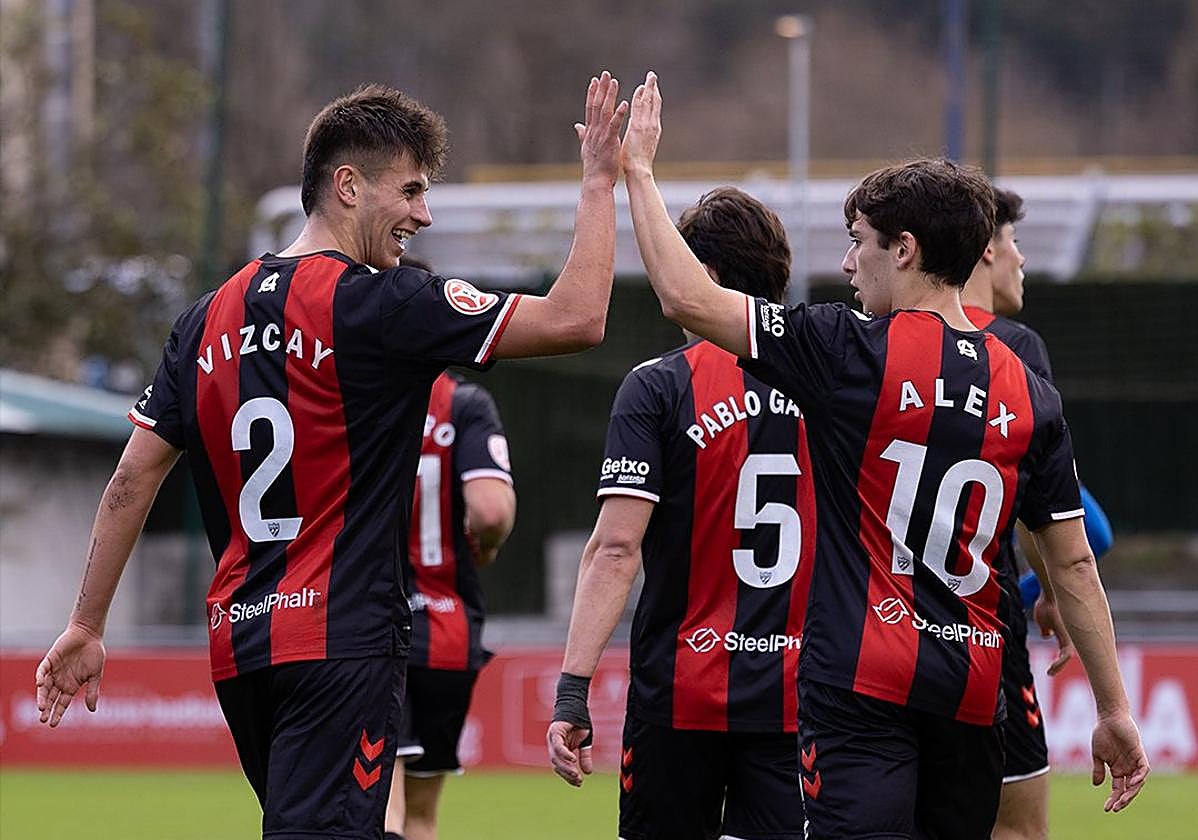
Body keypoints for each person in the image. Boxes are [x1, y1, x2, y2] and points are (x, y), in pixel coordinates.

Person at [35, 74, 628, 839]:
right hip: (342, 642)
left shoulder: (202, 321)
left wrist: (86, 623)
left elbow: (131, 477)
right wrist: (599, 183)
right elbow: (578, 318)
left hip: (242, 648)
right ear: (348, 186)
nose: (423, 214)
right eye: (410, 190)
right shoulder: (384, 303)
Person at [619, 72, 1148, 839]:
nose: (847, 264)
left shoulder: (848, 351)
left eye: (858, 242)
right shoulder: (1030, 391)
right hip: (973, 686)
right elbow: (1072, 564)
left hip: (861, 683)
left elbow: (687, 298)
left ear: (904, 250)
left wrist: (637, 173)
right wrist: (1114, 707)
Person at [547, 187, 813, 840]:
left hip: (680, 695)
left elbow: (616, 548)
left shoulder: (659, 385)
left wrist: (573, 689)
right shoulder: (832, 374)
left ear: (703, 275)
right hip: (799, 697)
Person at [960, 187, 1111, 840]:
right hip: (981, 633)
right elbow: (1081, 529)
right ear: (986, 249)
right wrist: (1045, 592)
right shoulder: (1014, 347)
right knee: (1017, 829)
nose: (1021, 259)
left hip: (874, 637)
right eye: (1014, 242)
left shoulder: (879, 343)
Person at [384, 362, 516, 840]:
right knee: (422, 817)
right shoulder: (463, 404)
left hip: (372, 625)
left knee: (380, 810)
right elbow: (490, 512)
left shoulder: (361, 390)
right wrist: (490, 546)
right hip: (447, 635)